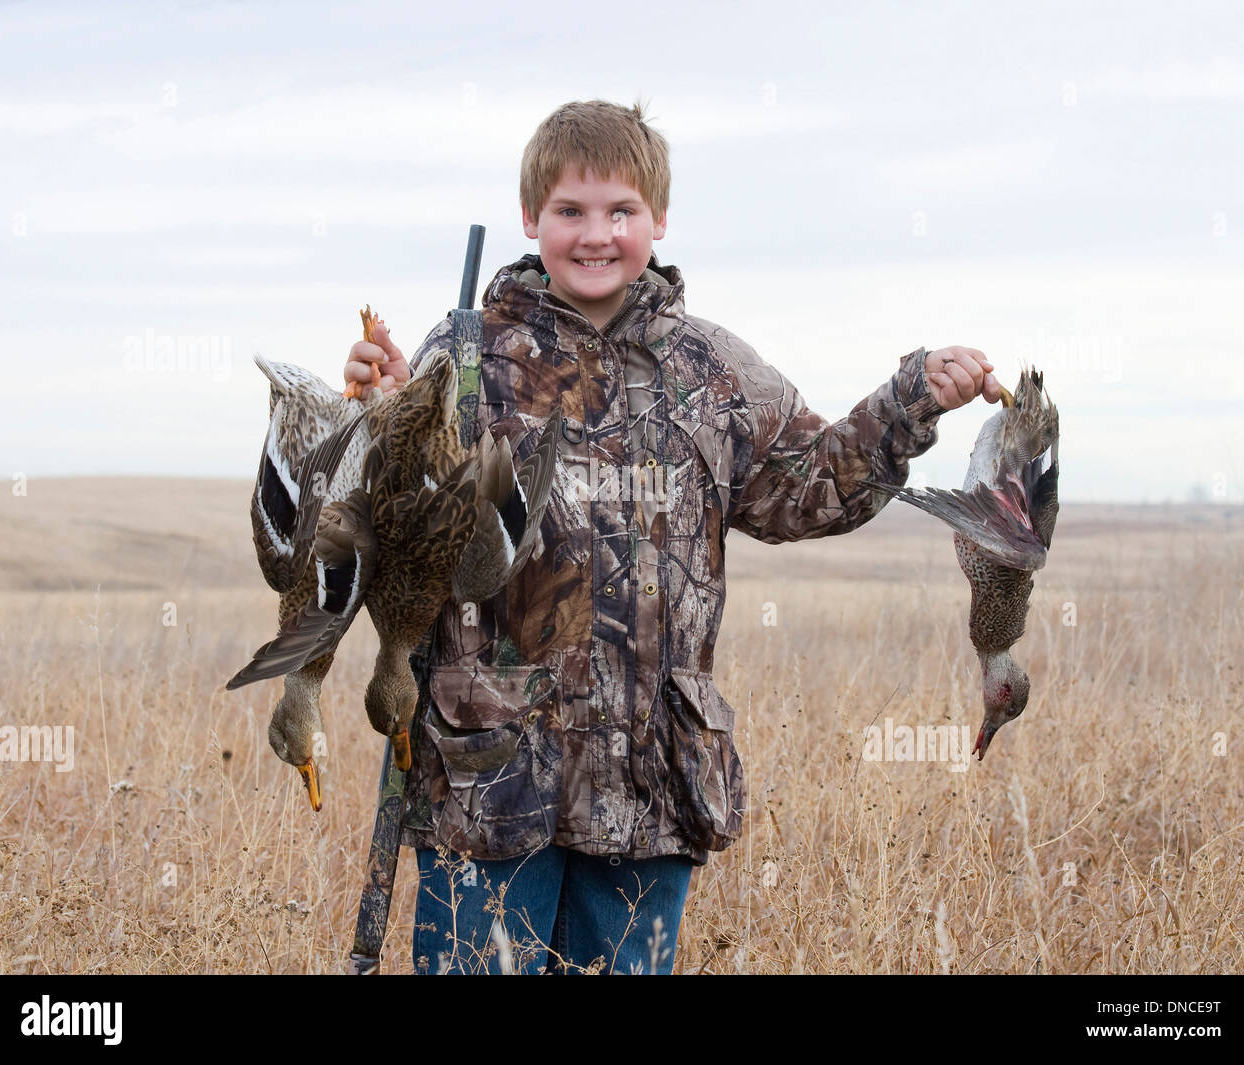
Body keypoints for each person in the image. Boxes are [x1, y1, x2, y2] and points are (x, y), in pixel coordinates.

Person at [342, 99, 1002, 974]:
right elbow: (400, 528)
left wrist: (911, 399)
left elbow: (808, 493)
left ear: (659, 218)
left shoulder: (711, 367)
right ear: (531, 216)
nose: (596, 234)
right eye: (570, 211)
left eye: (621, 211)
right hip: (488, 780)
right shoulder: (466, 355)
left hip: (648, 783)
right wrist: (384, 409)